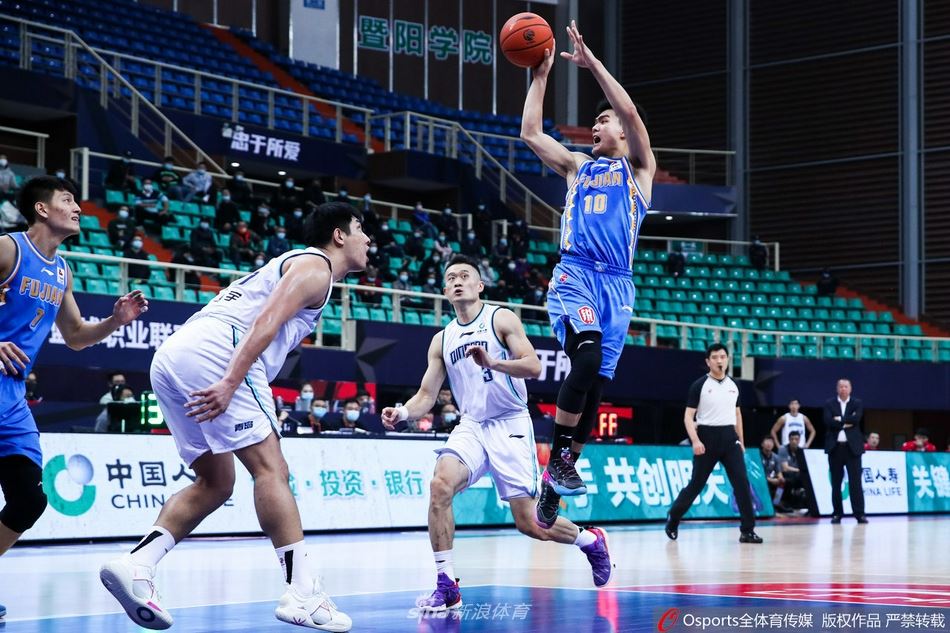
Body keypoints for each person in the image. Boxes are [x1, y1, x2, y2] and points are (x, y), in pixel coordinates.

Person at [99, 201, 366, 631]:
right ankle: (303, 591)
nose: (367, 239)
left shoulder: (294, 267)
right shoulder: (317, 266)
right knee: (271, 468)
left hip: (176, 353)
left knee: (217, 482)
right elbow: (266, 321)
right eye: (360, 229)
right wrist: (229, 381)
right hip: (221, 352)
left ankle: (138, 564)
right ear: (339, 235)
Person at [380, 254, 613, 612]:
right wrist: (403, 412)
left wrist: (494, 362)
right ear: (445, 290)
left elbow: (533, 366)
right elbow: (427, 395)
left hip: (510, 422)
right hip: (472, 425)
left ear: (479, 285)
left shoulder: (500, 318)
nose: (457, 281)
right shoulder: (441, 340)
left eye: (464, 276)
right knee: (440, 485)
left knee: (530, 523)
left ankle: (589, 541)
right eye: (451, 278)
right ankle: (446, 585)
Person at [520, 22, 654, 530]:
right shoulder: (578, 166)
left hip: (618, 284)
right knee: (588, 357)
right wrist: (541, 75)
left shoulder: (638, 170)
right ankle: (557, 459)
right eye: (595, 121)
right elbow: (531, 134)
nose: (595, 127)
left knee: (596, 389)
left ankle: (555, 479)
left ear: (621, 130)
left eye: (603, 120)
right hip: (576, 274)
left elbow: (631, 112)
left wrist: (592, 63)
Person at [0, 177, 148, 588]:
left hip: (11, 398)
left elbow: (77, 336)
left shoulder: (62, 272)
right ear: (42, 209)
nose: (78, 208)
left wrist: (115, 321)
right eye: (67, 200)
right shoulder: (8, 249)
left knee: (29, 500)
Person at [664, 344, 762, 543]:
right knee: (696, 484)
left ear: (728, 360)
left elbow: (737, 415)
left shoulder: (733, 385)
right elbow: (688, 416)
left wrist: (741, 441)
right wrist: (695, 440)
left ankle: (747, 530)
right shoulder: (699, 385)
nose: (719, 361)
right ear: (708, 362)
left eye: (723, 357)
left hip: (730, 438)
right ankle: (674, 517)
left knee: (742, 483)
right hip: (706, 437)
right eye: (715, 357)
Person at [823, 378, 867, 524]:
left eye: (846, 386)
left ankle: (859, 514)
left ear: (850, 388)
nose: (843, 389)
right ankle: (837, 513)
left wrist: (839, 419)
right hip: (835, 448)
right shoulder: (829, 403)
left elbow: (856, 419)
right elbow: (828, 420)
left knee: (856, 483)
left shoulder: (857, 403)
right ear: (837, 388)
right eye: (841, 386)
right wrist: (846, 421)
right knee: (836, 483)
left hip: (852, 449)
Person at [777, 431, 810, 511]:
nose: (794, 441)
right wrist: (799, 470)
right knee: (785, 480)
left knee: (807, 480)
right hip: (784, 474)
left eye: (796, 439)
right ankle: (777, 502)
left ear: (799, 440)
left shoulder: (801, 451)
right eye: (792, 439)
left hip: (797, 476)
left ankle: (805, 504)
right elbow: (785, 468)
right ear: (789, 440)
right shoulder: (783, 449)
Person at [759, 436, 786, 512]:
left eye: (771, 442)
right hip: (761, 479)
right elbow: (759, 474)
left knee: (782, 482)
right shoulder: (758, 455)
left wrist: (780, 478)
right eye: (767, 441)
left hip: (772, 479)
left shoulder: (775, 457)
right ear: (762, 444)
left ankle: (776, 503)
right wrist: (771, 480)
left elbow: (778, 472)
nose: (769, 444)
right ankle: (766, 505)